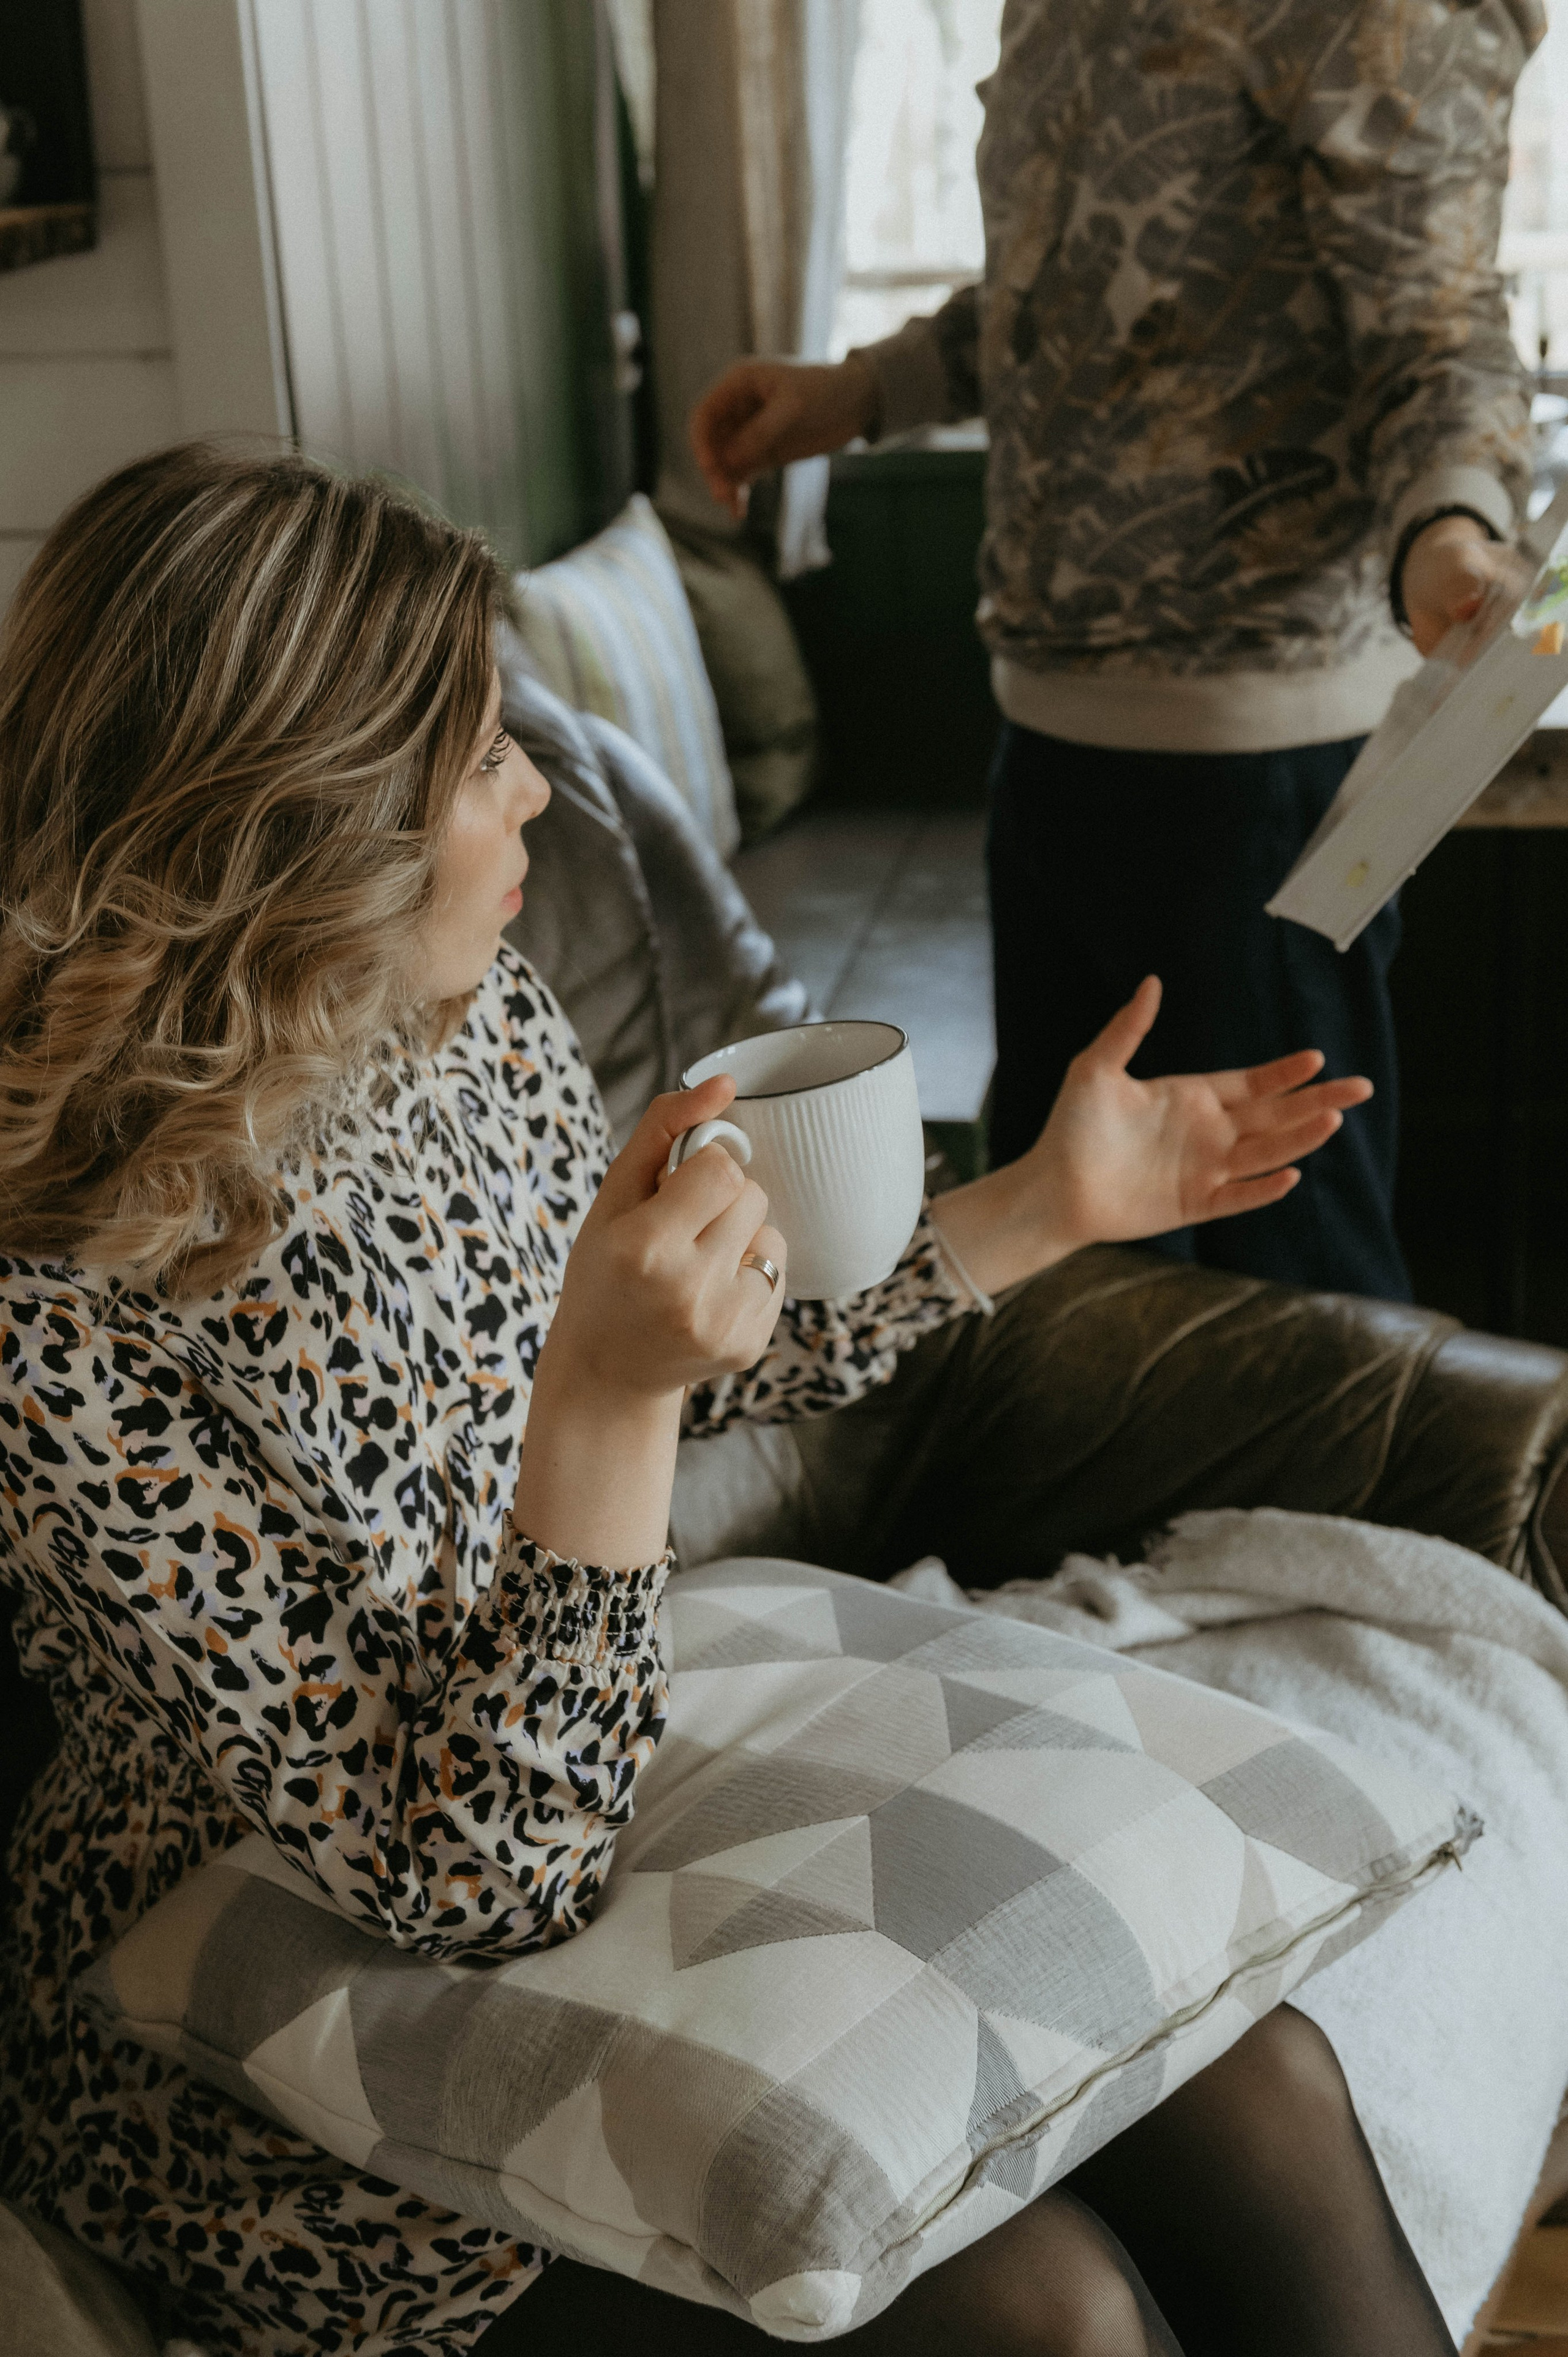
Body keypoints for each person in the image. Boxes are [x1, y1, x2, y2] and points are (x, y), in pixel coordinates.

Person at [0, 443, 1454, 2357]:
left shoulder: (462, 1017)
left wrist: (1038, 1209)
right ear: (302, 828)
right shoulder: (53, 1323)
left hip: (587, 1756)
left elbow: (703, 1355)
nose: (539, 791)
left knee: (1259, 2075)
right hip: (248, 2018)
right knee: (1042, 2308)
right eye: (482, 761)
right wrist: (600, 1401)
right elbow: (474, 1882)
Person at [690, 0, 1544, 1305]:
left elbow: (1435, 332)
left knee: (1286, 1284)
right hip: (1050, 726)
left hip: (1260, 764)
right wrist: (859, 393)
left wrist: (1447, 531)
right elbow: (1072, 285)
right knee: (1068, 1266)